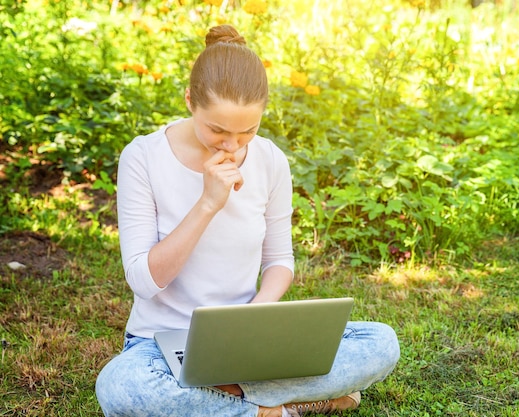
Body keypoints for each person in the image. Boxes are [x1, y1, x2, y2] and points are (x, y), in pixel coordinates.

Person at [95, 24, 400, 417]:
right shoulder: (143, 157)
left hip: (247, 340)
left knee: (381, 342)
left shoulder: (271, 160)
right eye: (217, 130)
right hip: (161, 345)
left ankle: (225, 399)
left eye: (248, 131)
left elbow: (279, 261)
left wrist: (255, 316)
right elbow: (143, 280)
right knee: (121, 387)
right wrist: (207, 204)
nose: (233, 146)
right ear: (189, 100)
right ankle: (279, 408)